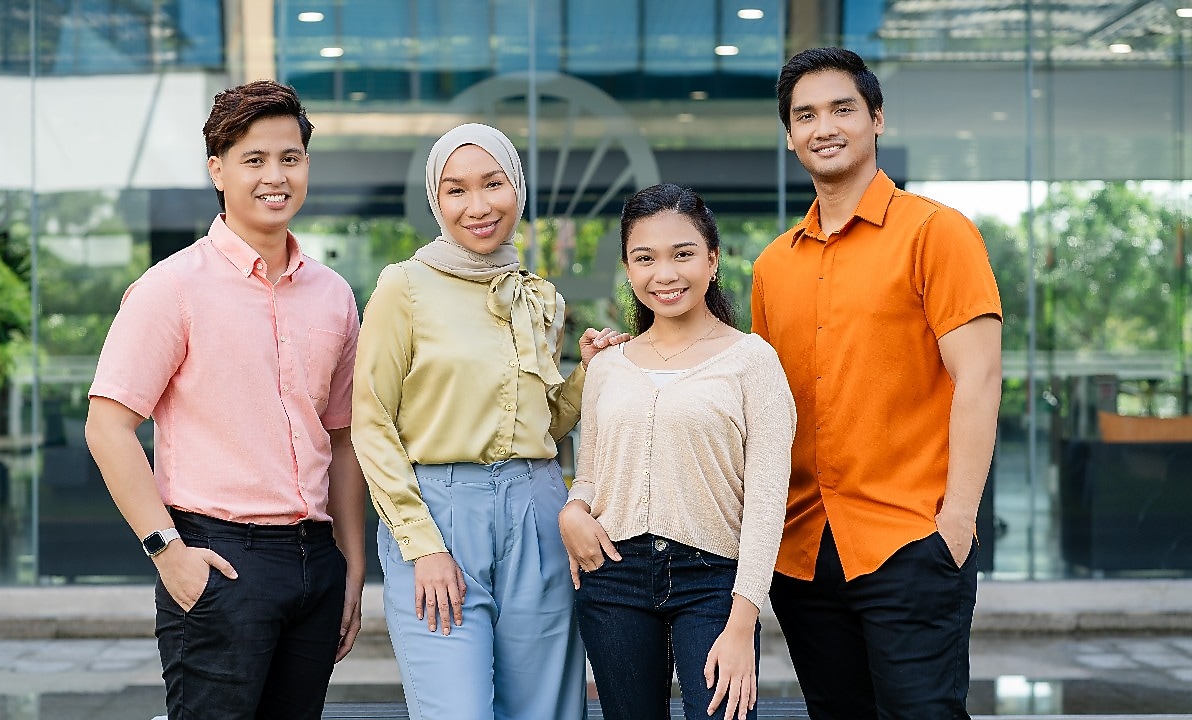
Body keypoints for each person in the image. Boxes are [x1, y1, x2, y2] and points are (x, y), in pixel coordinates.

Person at [84, 80, 366, 720]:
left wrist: (349, 571)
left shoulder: (334, 295)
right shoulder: (172, 287)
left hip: (315, 560)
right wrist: (168, 554)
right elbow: (107, 427)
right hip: (218, 559)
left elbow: (343, 439)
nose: (276, 176)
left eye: (290, 158)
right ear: (218, 169)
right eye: (254, 159)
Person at [751, 47, 1003, 720]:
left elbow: (979, 379)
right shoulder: (775, 265)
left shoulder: (937, 233)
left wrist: (955, 524)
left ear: (876, 119)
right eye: (805, 115)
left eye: (842, 109)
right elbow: (760, 403)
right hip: (803, 550)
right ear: (789, 135)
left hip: (909, 540)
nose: (823, 126)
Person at [352, 122, 626, 720]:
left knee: (546, 711)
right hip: (439, 516)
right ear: (436, 199)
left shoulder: (538, 296)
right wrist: (421, 546)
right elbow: (371, 424)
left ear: (517, 189)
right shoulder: (404, 287)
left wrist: (588, 375)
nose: (478, 206)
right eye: (456, 190)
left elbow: (541, 426)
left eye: (493, 184)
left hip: (536, 507)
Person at [559, 183, 796, 720]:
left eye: (682, 254)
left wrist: (742, 623)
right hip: (613, 574)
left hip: (714, 582)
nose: (664, 274)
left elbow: (765, 505)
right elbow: (593, 473)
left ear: (713, 260)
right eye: (645, 258)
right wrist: (574, 508)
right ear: (627, 267)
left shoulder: (752, 362)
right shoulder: (609, 365)